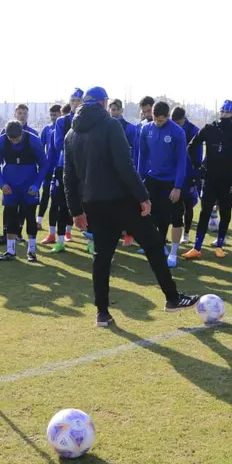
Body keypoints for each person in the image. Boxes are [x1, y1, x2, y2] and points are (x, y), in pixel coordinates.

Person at [63, 86, 199, 327]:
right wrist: (143, 196)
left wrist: (75, 211)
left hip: (93, 203)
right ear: (103, 103)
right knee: (154, 244)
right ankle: (172, 298)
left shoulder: (71, 134)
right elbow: (124, 166)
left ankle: (102, 313)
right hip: (121, 200)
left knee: (102, 257)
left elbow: (69, 176)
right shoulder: (110, 125)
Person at [182, 100, 232, 259]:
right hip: (209, 178)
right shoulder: (209, 128)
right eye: (222, 112)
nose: (224, 115)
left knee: (225, 212)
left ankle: (220, 245)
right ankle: (197, 247)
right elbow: (191, 146)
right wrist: (198, 167)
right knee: (204, 212)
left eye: (227, 112)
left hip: (227, 180)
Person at [137, 101, 189, 266]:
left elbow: (182, 161)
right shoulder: (146, 129)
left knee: (176, 217)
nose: (158, 122)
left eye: (161, 120)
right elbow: (142, 157)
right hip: (152, 179)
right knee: (152, 214)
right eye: (155, 119)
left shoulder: (177, 132)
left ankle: (173, 253)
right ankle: (158, 246)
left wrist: (177, 186)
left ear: (167, 117)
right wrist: (139, 180)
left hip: (171, 181)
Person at [0, 120, 48, 262]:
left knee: (30, 216)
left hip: (29, 185)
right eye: (11, 139)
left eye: (16, 139)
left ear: (22, 133)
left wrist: (37, 185)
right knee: (10, 216)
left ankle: (32, 251)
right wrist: (2, 184)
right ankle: (10, 251)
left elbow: (43, 165)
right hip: (10, 186)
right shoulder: (1, 141)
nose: (14, 141)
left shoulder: (34, 141)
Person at [47, 89, 84, 252]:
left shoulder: (89, 121)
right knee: (62, 204)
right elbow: (58, 144)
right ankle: (60, 241)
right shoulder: (62, 121)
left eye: (78, 100)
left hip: (85, 168)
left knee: (87, 205)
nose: (75, 103)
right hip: (65, 167)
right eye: (73, 100)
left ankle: (91, 242)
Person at [110, 98, 140, 246]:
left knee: (127, 203)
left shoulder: (130, 128)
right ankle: (114, 233)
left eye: (116, 110)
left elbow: (135, 150)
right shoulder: (107, 127)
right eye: (111, 110)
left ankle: (129, 234)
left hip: (125, 171)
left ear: (121, 111)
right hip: (110, 172)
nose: (113, 112)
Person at [172, 106, 201, 245]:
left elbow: (198, 156)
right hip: (173, 173)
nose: (176, 125)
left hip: (189, 173)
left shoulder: (194, 131)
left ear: (184, 119)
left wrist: (196, 175)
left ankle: (187, 233)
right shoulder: (170, 128)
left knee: (188, 204)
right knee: (175, 205)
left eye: (178, 122)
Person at [35, 104, 62, 237]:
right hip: (48, 167)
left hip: (60, 167)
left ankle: (64, 226)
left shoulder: (63, 128)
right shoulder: (47, 129)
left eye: (55, 114)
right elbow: (41, 147)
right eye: (51, 115)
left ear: (60, 114)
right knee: (45, 193)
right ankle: (38, 221)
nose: (52, 117)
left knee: (59, 198)